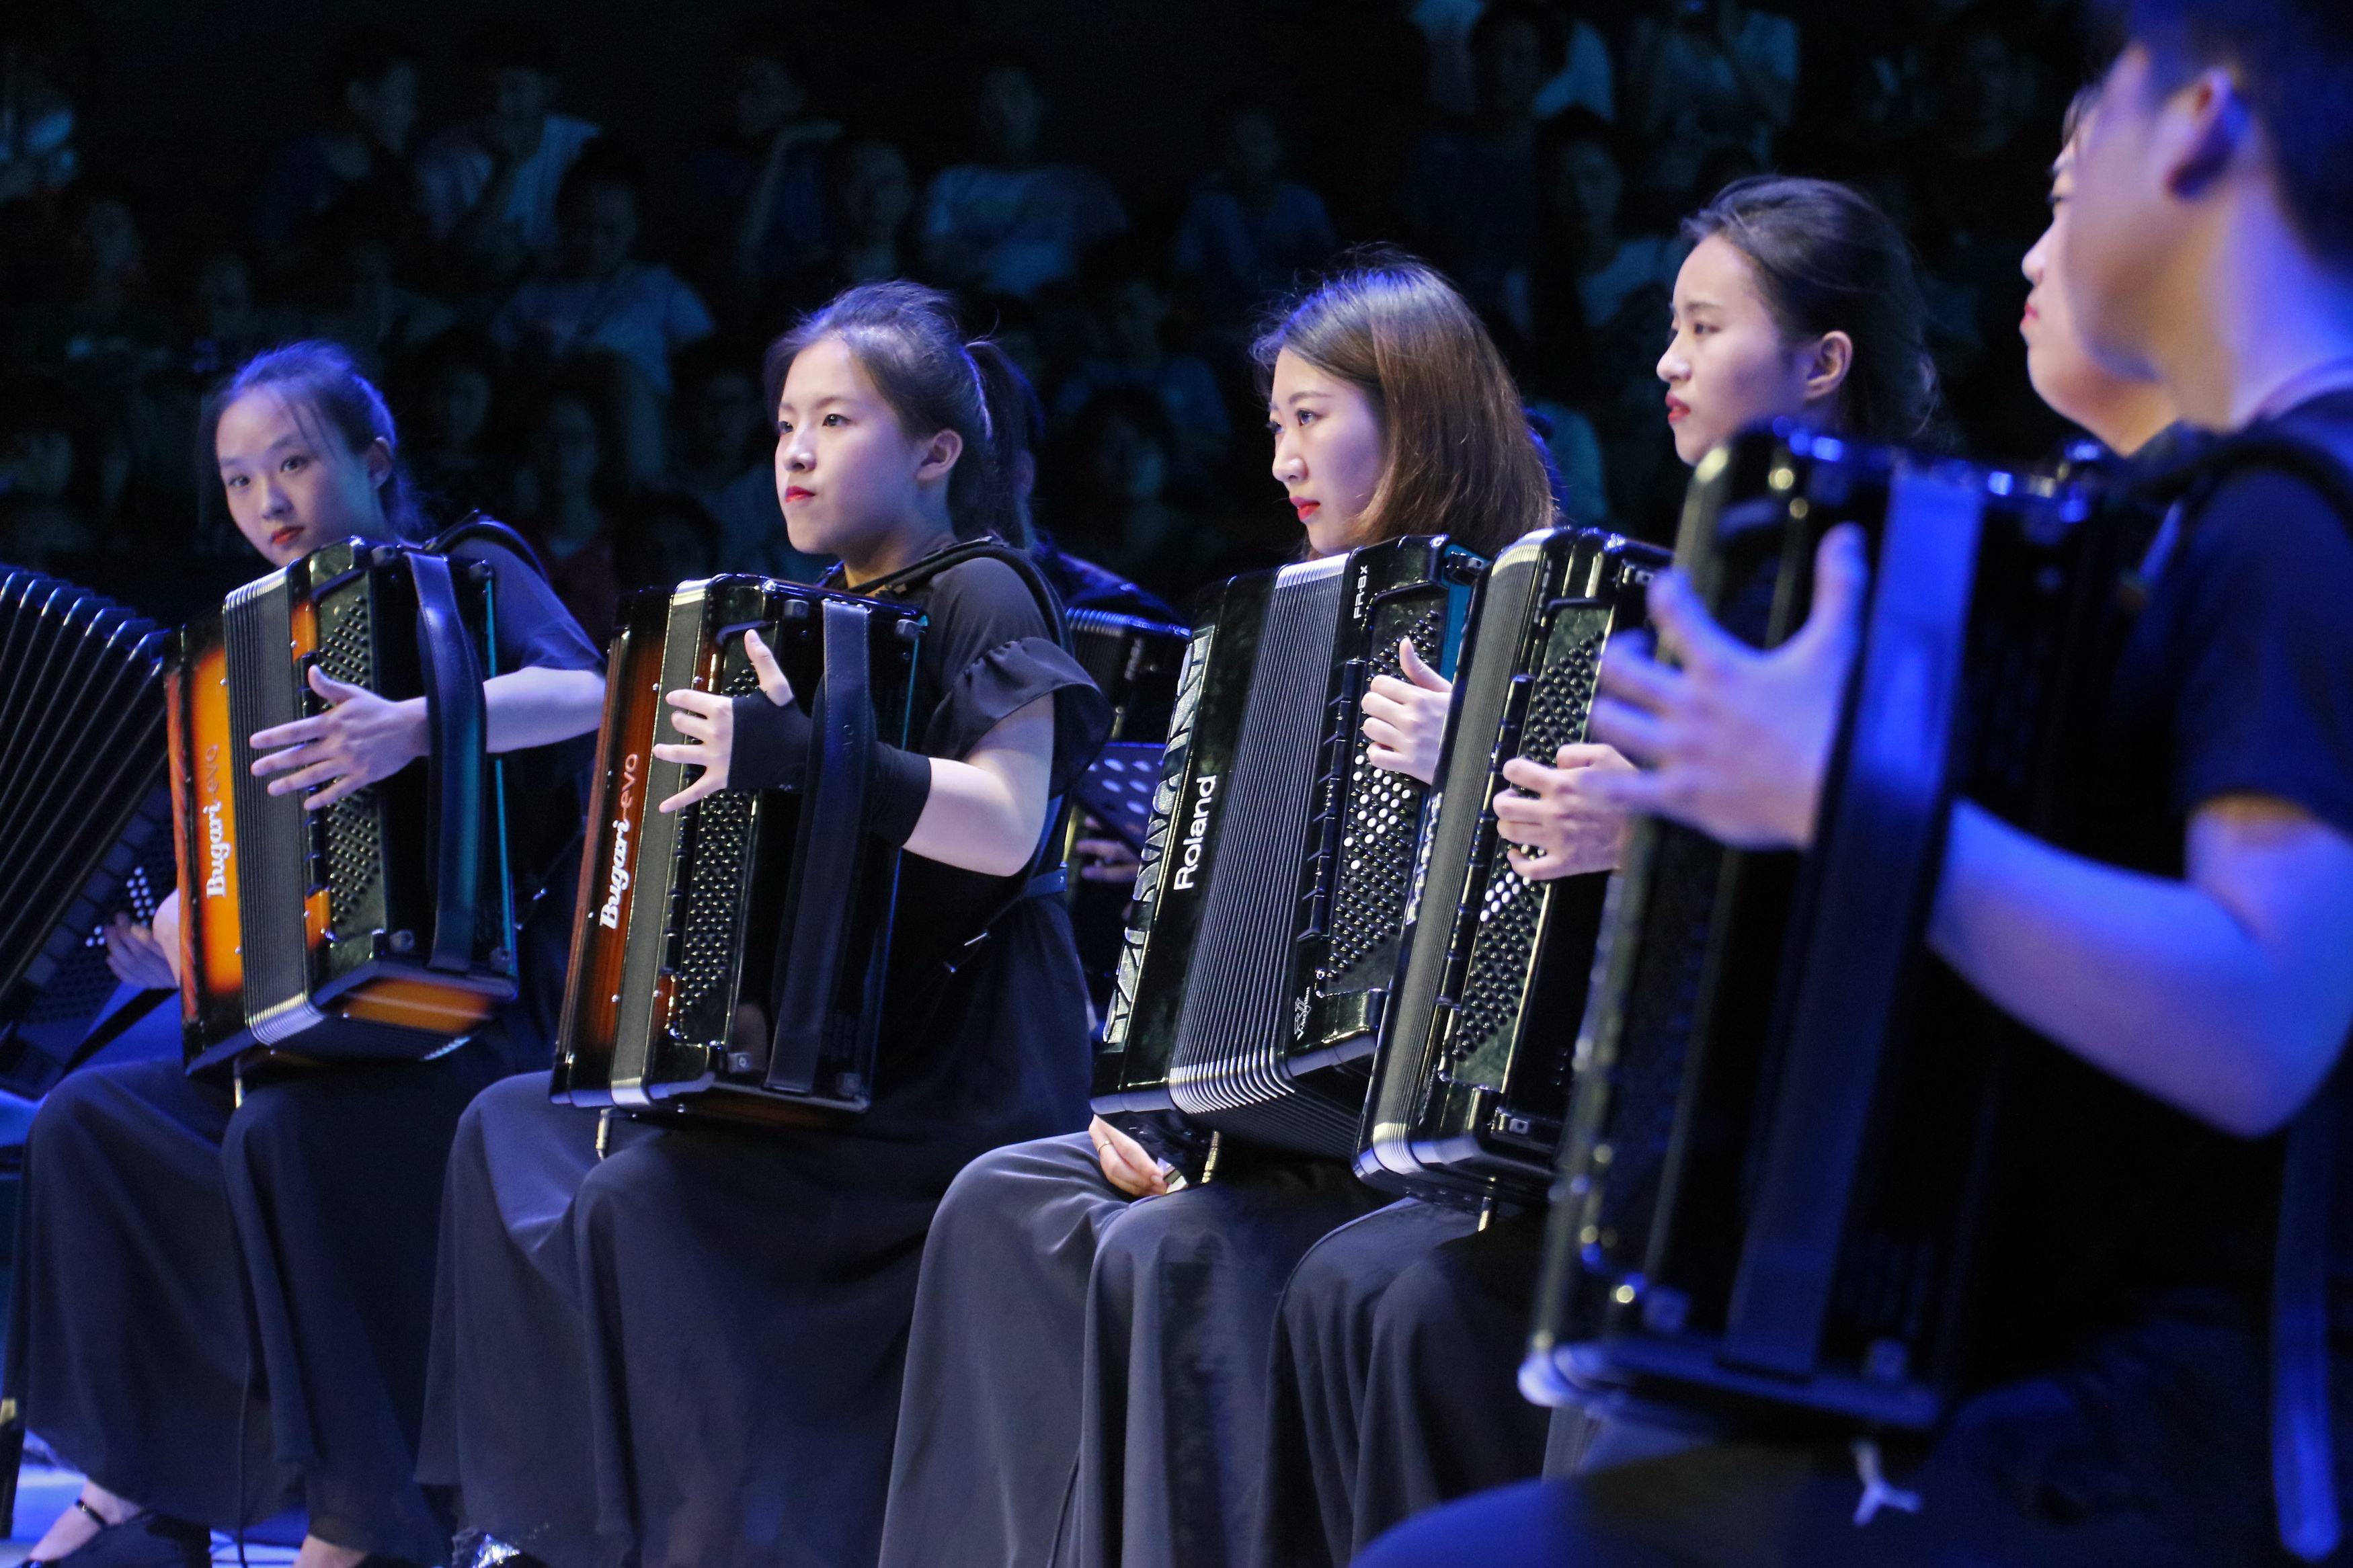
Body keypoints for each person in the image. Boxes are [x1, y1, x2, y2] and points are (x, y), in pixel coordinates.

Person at [1362, 1, 2353, 1561]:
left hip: (2142, 1426)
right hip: (2032, 1373)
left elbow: (2265, 1023)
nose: (2047, 222)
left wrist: (1842, 807)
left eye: (2077, 164)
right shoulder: (2196, 507)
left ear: (2207, 122)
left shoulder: (2294, 518)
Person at [1257, 175, 1939, 1568]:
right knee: (1347, 1285)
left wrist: (1636, 823)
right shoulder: (1719, 573)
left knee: (1398, 1294)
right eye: (1667, 329)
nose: (1664, 360)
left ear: (1823, 361)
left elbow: (1874, 884)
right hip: (1659, 1117)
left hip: (1792, 1153)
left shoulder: (1903, 570)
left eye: (1702, 326)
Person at [420, 280, 1111, 1568]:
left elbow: (1007, 823)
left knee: (643, 1195)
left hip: (952, 1075)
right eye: (786, 421)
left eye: (836, 420)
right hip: (832, 1053)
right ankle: (545, 1524)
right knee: (504, 1122)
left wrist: (809, 754)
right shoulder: (816, 617)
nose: (794, 448)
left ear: (935, 451)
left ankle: (698, 1533)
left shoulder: (987, 593)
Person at [877, 255, 1553, 1568]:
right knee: (998, 1198)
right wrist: (1150, 1096)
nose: (1282, 456)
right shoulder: (1282, 621)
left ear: (1411, 414)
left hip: (1401, 1135)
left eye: (1311, 417)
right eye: (1274, 426)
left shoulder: (1529, 612)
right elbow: (1205, 915)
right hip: (1256, 1125)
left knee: (1169, 1247)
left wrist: (1459, 764)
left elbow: (1527, 935)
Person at [8, 341, 604, 1568]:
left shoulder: (467, 572)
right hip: (313, 1034)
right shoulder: (249, 649)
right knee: (88, 1121)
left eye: (294, 462)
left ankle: (370, 1520)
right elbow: (245, 875)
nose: (268, 501)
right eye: (238, 480)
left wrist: (422, 725)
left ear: (373, 460)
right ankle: (146, 1482)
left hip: (466, 1025)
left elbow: (596, 690)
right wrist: (176, 941)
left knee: (289, 1137)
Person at [489, 145, 714, 399]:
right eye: (583, 228)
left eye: (610, 231)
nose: (594, 244)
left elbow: (706, 370)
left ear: (635, 227)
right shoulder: (531, 294)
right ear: (562, 218)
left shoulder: (662, 290)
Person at [921, 54, 1127, 300]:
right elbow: (933, 264)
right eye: (990, 98)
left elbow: (1119, 265)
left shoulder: (1083, 186)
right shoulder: (952, 184)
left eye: (1015, 95)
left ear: (1041, 104)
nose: (1003, 111)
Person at [413, 17, 600, 287]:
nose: (499, 105)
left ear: (548, 89)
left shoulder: (588, 148)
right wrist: (506, 167)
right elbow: (457, 266)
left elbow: (607, 250)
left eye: (514, 88)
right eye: (486, 90)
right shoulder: (439, 158)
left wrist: (526, 264)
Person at [254, 26, 421, 276]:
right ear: (358, 97)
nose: (412, 113)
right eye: (403, 96)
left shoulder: (395, 172)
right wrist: (329, 240)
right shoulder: (298, 163)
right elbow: (266, 260)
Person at [662, 337, 829, 583]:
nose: (720, 417)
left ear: (755, 410)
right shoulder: (659, 493)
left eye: (732, 404)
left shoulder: (783, 489)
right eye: (707, 403)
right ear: (685, 409)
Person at [1170, 98, 1340, 333]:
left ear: (1279, 145)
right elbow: (1187, 273)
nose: (1246, 153)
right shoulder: (1207, 206)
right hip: (1227, 326)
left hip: (1298, 323)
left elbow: (1327, 269)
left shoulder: (1304, 203)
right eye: (1233, 145)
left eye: (1256, 141)